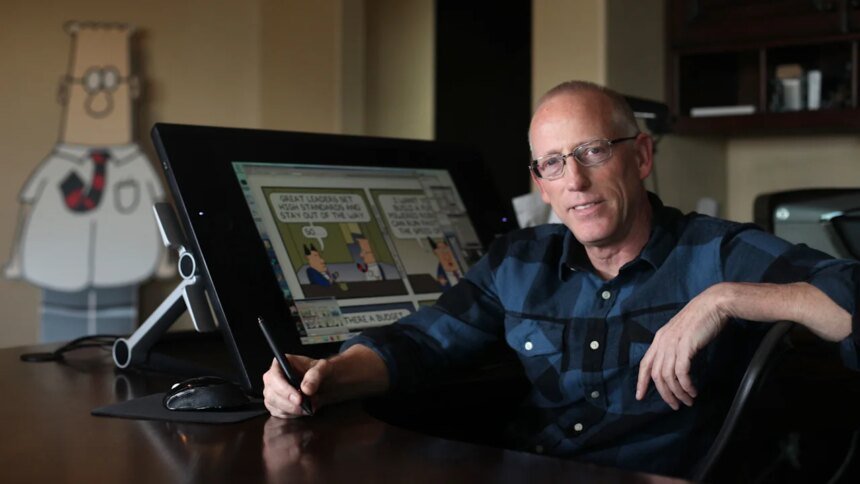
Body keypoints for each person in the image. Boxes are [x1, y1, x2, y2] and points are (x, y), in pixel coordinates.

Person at [263, 80, 859, 477]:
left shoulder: (717, 253)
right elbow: (421, 341)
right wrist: (327, 376)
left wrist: (725, 298)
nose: (574, 180)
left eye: (593, 152)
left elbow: (851, 296)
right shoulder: (518, 261)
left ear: (641, 156)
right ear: (541, 185)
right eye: (553, 163)